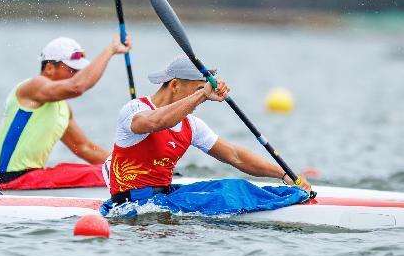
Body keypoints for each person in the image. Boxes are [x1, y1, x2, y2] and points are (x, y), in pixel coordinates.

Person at [101, 56, 311, 216]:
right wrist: (202, 94)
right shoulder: (133, 110)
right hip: (130, 205)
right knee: (231, 192)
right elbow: (157, 122)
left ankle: (288, 196)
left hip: (164, 198)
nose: (204, 98)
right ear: (174, 85)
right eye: (198, 90)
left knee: (232, 185)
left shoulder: (191, 124)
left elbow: (235, 156)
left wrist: (285, 175)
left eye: (203, 91)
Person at [0, 36, 130, 190]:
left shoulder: (63, 108)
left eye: (80, 71)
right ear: (49, 68)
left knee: (116, 169)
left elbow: (85, 148)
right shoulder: (33, 87)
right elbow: (76, 87)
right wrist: (110, 50)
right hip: (11, 180)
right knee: (107, 173)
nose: (77, 75)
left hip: (35, 177)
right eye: (72, 70)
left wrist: (130, 164)